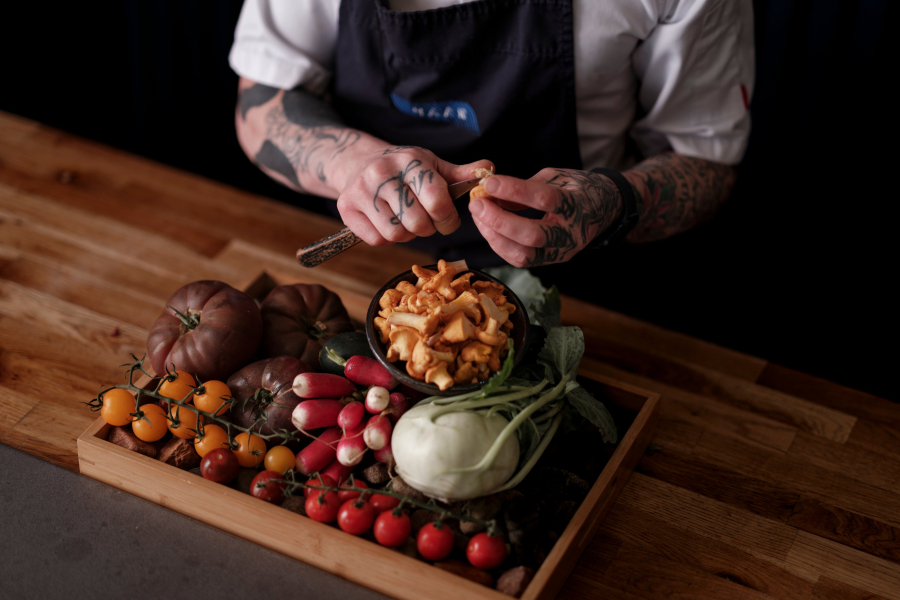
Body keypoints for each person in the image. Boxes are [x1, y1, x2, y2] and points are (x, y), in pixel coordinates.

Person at [229, 0, 754, 270]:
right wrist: (355, 165)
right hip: (360, 264)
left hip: (579, 286)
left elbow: (706, 163)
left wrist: (612, 203)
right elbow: (261, 100)